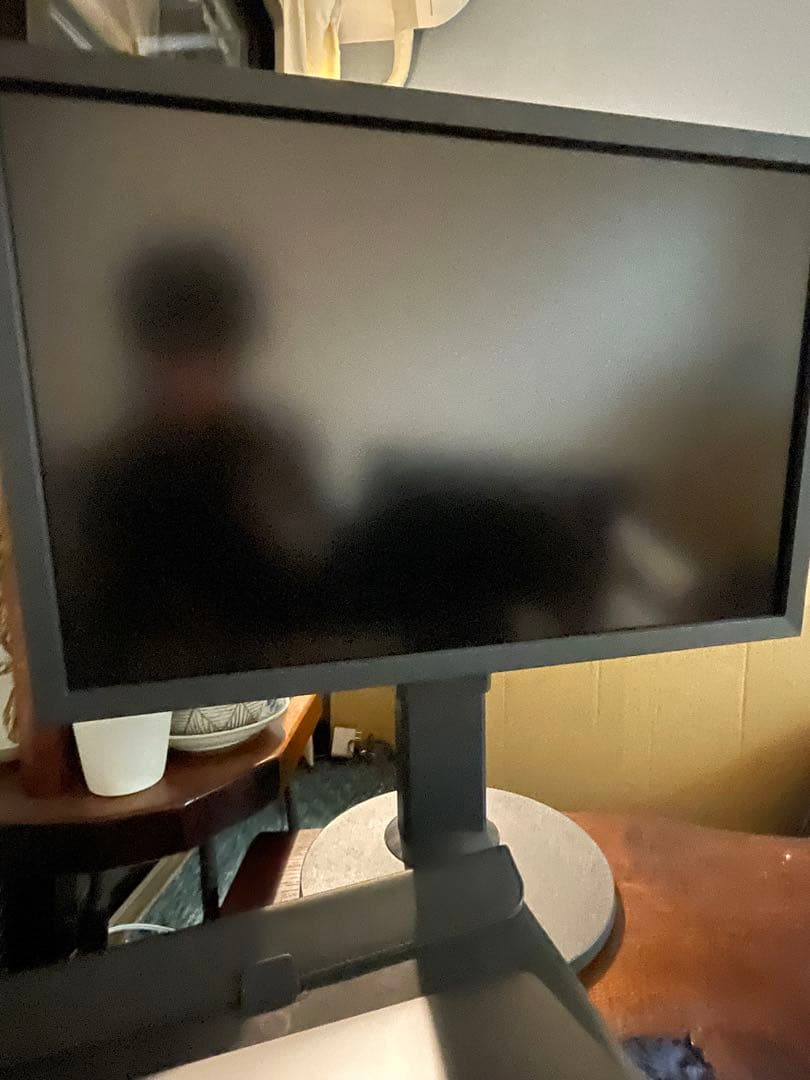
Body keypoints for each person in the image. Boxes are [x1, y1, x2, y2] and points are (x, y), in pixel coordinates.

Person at [58, 238, 330, 688]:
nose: (196, 375)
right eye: (178, 352)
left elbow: (314, 592)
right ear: (147, 354)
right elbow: (102, 640)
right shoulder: (110, 476)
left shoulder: (273, 452)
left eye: (212, 349)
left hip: (278, 687)